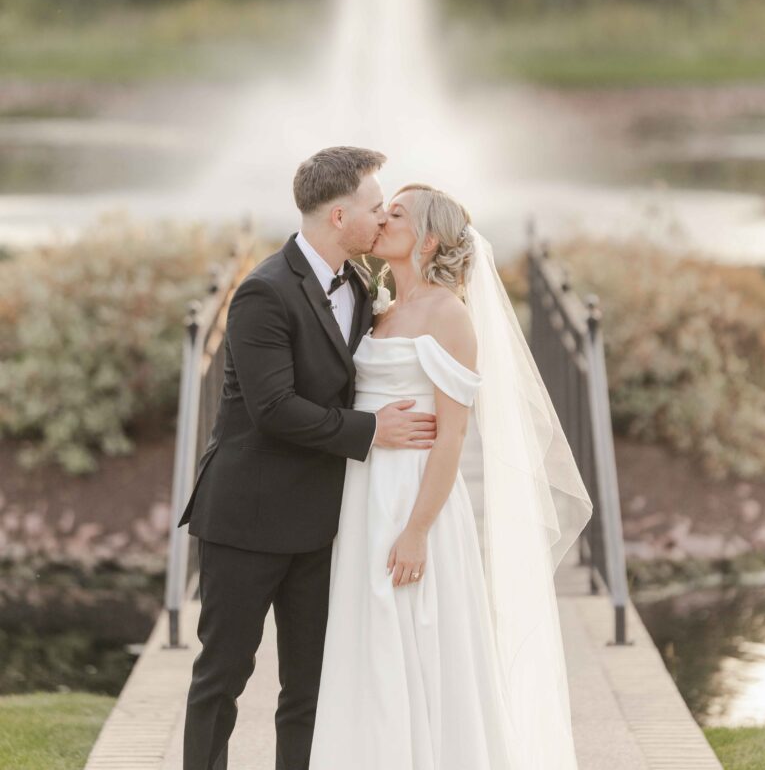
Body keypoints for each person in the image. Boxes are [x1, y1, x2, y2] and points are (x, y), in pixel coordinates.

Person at [307, 183, 594, 769]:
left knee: (415, 642)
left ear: (430, 237)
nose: (382, 219)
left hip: (416, 501)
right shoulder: (380, 306)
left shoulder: (448, 314)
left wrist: (416, 530)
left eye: (397, 214)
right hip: (365, 495)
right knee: (370, 646)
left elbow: (453, 435)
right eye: (383, 211)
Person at [178, 147, 439, 770]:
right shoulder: (263, 292)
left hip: (325, 525)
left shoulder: (357, 283)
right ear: (340, 215)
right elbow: (275, 408)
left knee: (310, 689)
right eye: (376, 209)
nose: (383, 219)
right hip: (246, 518)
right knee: (223, 677)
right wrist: (372, 430)